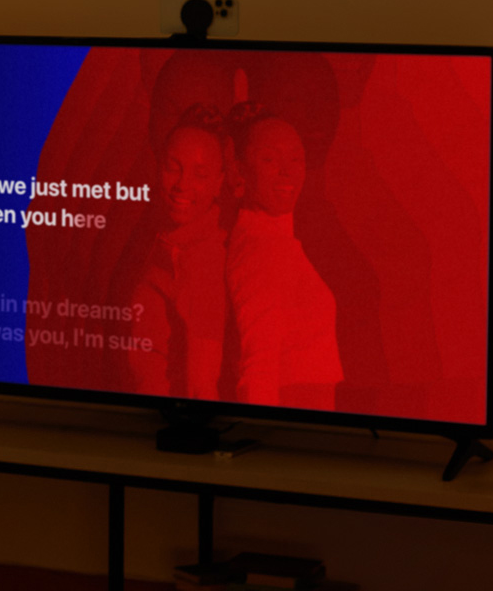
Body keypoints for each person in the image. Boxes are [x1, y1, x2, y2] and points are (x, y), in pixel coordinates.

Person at [224, 102, 345, 410]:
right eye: (269, 159)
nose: (287, 170)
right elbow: (257, 371)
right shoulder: (260, 250)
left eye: (296, 158)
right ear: (240, 170)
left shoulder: (274, 241)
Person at [122, 104, 231, 400]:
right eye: (173, 167)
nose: (182, 184)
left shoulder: (205, 258)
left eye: (200, 174)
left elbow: (202, 385)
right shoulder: (169, 243)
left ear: (219, 182)